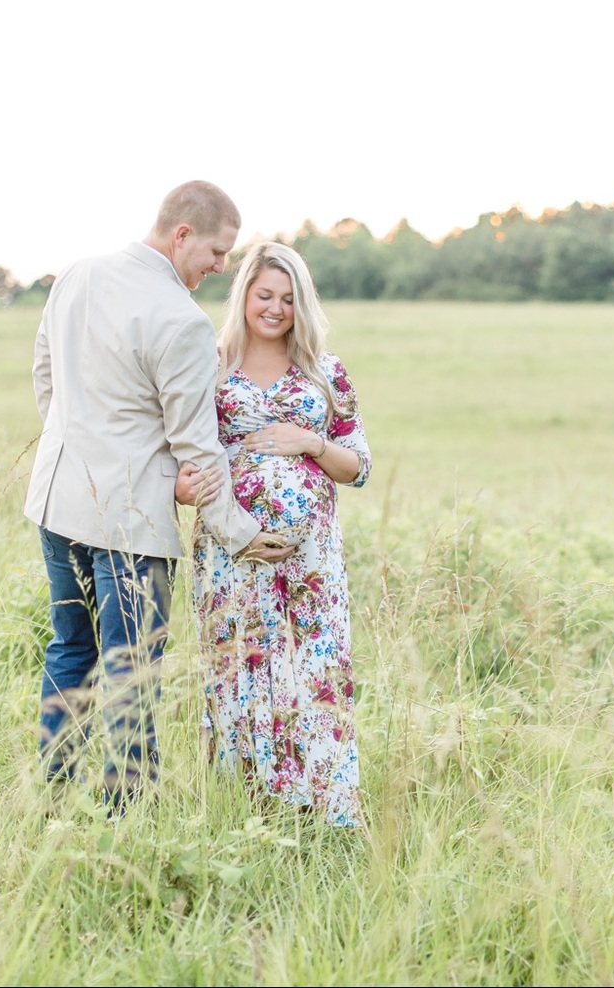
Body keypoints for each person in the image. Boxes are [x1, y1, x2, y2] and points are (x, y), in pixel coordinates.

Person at [24, 182, 292, 812]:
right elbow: (198, 448)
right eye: (218, 252)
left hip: (56, 503)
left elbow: (46, 379)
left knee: (71, 649)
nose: (221, 267)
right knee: (131, 669)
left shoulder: (77, 276)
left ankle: (53, 800)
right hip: (130, 524)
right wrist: (241, 532)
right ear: (181, 235)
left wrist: (81, 450)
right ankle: (126, 817)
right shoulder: (182, 323)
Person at [176, 241, 371, 828]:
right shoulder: (209, 366)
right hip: (231, 552)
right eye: (265, 295)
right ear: (244, 296)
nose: (276, 308)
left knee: (311, 666)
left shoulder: (324, 370)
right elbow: (178, 453)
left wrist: (310, 442)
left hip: (310, 563)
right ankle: (248, 809)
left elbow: (358, 465)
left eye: (289, 298)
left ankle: (322, 809)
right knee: (241, 668)